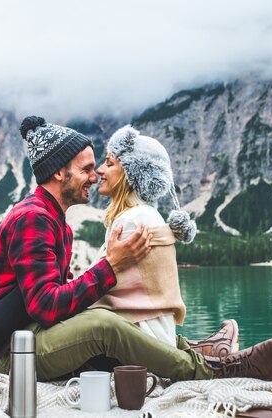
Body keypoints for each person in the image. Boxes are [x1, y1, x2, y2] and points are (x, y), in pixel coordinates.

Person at [0, 116, 272, 382]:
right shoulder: (34, 217)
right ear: (59, 172)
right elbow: (46, 307)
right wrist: (112, 264)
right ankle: (213, 371)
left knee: (103, 319)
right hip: (7, 357)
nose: (94, 176)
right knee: (102, 326)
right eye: (86, 168)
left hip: (25, 338)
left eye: (98, 166)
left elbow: (47, 302)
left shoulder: (53, 219)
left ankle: (192, 350)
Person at [91, 124, 236, 355]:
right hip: (154, 339)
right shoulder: (146, 215)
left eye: (109, 163)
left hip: (135, 348)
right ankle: (208, 348)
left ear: (131, 173)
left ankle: (211, 359)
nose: (99, 170)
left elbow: (93, 291)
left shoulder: (131, 222)